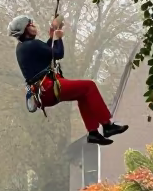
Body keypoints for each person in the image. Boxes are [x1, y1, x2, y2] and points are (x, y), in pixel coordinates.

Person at [8, 14, 128, 146]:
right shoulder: (32, 45)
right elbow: (58, 53)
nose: (33, 25)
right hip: (49, 87)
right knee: (89, 86)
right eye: (30, 25)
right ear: (24, 30)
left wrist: (53, 34)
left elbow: (47, 52)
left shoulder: (23, 47)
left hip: (43, 92)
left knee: (83, 94)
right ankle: (107, 126)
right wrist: (58, 38)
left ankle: (93, 133)